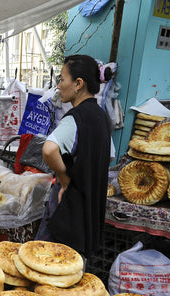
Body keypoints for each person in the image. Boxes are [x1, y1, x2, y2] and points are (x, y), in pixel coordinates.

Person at [35, 54, 112, 258]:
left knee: (44, 264)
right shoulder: (103, 117)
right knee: (74, 271)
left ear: (78, 84)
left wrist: (64, 178)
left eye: (62, 79)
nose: (59, 86)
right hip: (90, 209)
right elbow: (109, 155)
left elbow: (49, 149)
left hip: (67, 209)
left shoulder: (75, 119)